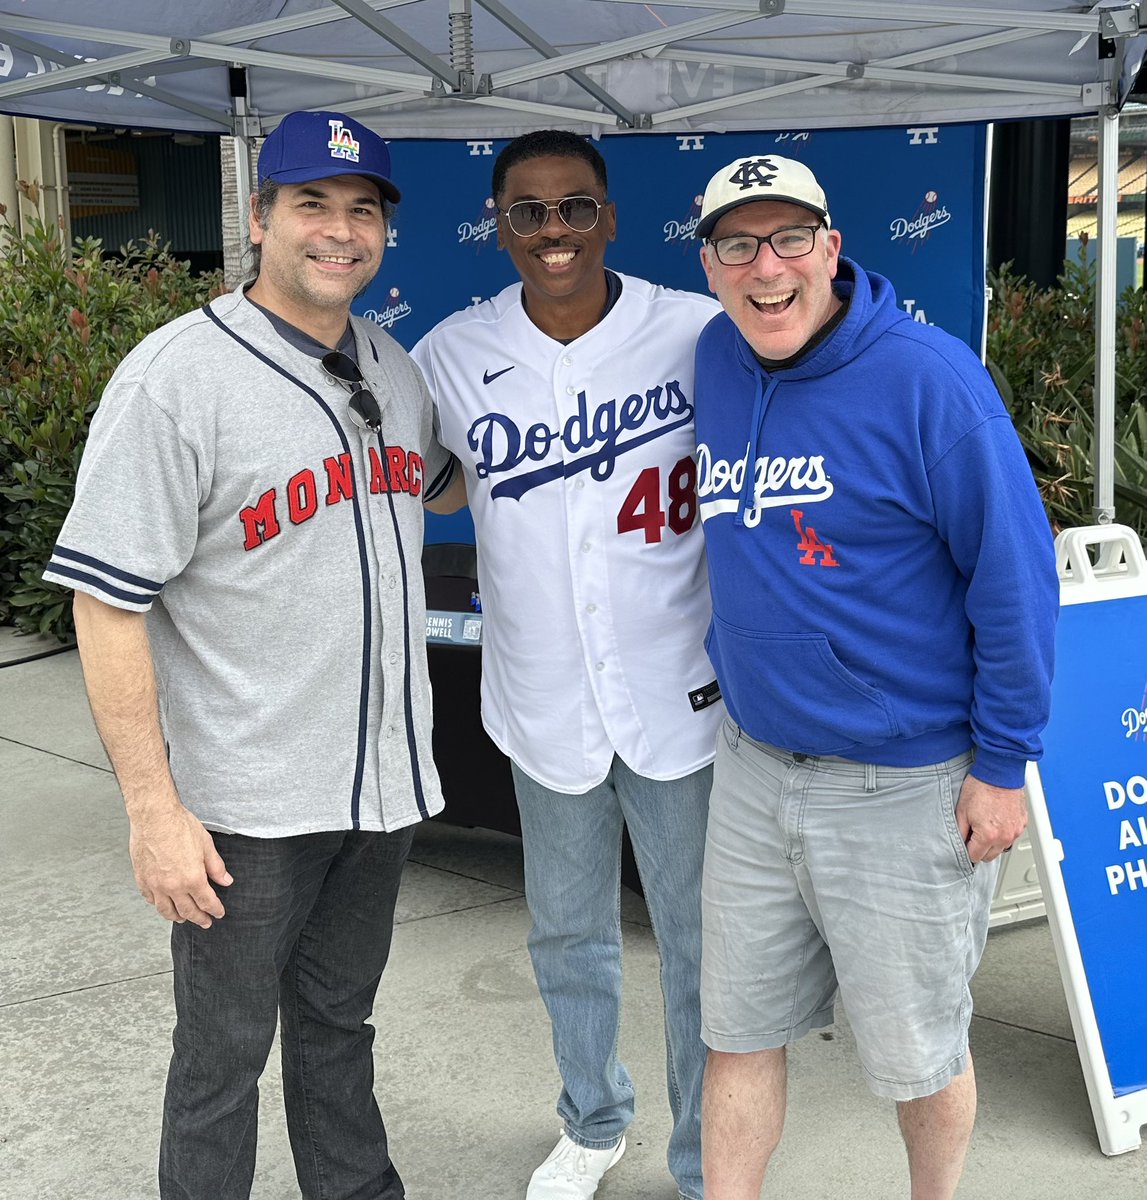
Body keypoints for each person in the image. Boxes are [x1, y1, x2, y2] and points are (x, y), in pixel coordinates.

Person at [43, 110, 459, 1200]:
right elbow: (105, 602)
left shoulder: (392, 363)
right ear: (259, 217)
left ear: (383, 233)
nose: (338, 231)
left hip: (380, 789)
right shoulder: (171, 379)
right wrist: (151, 811)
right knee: (221, 1058)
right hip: (246, 804)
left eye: (360, 209)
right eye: (311, 204)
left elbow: (437, 480)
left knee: (338, 1021)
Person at [689, 153, 1059, 1199]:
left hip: (903, 787)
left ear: (832, 247)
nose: (765, 268)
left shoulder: (929, 382)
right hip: (754, 768)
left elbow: (1016, 581)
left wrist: (1003, 763)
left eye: (788, 239)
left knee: (916, 1055)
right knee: (737, 1032)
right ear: (709, 265)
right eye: (736, 244)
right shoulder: (715, 357)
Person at [411, 130, 724, 1200]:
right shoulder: (451, 351)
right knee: (567, 935)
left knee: (697, 944)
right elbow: (439, 484)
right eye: (530, 212)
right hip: (540, 695)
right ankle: (592, 1121)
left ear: (611, 219)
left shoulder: (693, 328)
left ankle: (702, 1152)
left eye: (575, 207)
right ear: (498, 224)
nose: (554, 231)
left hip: (678, 690)